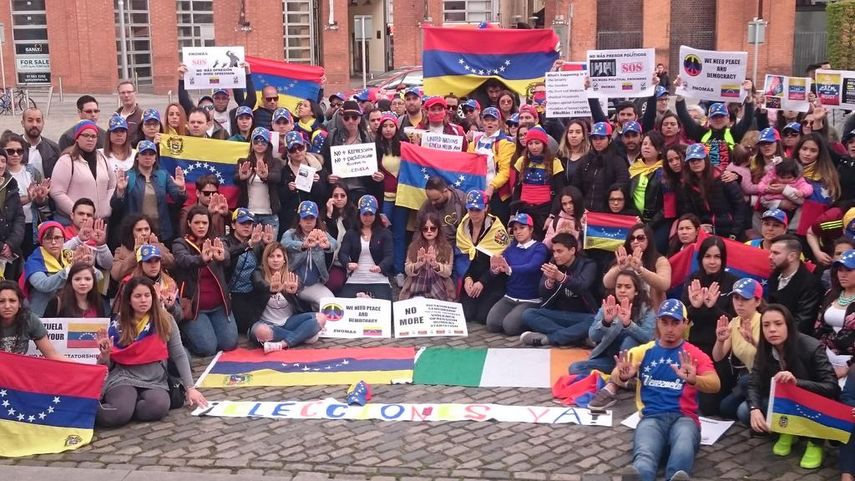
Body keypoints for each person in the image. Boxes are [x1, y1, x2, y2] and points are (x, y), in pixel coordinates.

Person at [603, 298, 720, 481]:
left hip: (684, 418)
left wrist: (694, 379)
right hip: (652, 417)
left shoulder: (694, 354)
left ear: (685, 324)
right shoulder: (645, 351)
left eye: (675, 322)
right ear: (657, 323)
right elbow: (616, 373)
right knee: (644, 454)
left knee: (682, 449)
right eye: (664, 322)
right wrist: (624, 376)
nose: (670, 329)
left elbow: (715, 384)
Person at [95, 276, 207, 427]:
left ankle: (129, 407)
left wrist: (190, 388)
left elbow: (179, 354)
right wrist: (105, 355)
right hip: (124, 377)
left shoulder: (165, 319)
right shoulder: (118, 323)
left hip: (155, 380)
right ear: (129, 300)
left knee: (157, 408)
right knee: (117, 413)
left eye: (147, 295)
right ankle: (101, 409)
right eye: (138, 296)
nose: (143, 300)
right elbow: (107, 365)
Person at [744, 305, 839, 469]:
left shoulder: (812, 347)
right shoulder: (765, 348)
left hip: (814, 402)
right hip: (785, 402)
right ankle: (788, 430)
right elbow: (754, 380)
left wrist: (797, 382)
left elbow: (831, 387)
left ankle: (815, 442)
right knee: (744, 411)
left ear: (788, 325)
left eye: (778, 324)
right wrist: (754, 408)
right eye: (766, 325)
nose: (772, 330)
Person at [172, 206, 238, 357]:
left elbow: (226, 252)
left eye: (204, 222)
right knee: (207, 348)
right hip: (195, 308)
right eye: (197, 222)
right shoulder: (180, 243)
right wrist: (201, 259)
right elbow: (184, 260)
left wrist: (223, 257)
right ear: (189, 223)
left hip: (219, 306)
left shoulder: (217, 240)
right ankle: (186, 333)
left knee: (229, 344)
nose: (201, 226)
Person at [570, 270, 655, 376]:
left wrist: (628, 324)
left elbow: (648, 338)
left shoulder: (647, 308)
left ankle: (621, 376)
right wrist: (606, 321)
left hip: (634, 362)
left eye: (628, 287)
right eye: (619, 286)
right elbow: (593, 336)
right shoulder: (609, 305)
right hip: (610, 360)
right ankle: (614, 378)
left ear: (636, 291)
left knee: (629, 340)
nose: (622, 290)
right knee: (575, 368)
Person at [519, 233, 598, 346]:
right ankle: (578, 339)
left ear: (572, 250)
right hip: (558, 314)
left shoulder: (588, 264)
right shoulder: (553, 264)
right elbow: (543, 293)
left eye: (559, 251)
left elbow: (582, 286)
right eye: (554, 251)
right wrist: (550, 281)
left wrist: (561, 277)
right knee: (528, 314)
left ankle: (550, 339)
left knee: (597, 320)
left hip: (582, 316)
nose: (555, 255)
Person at [249, 243, 325, 353]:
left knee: (321, 317)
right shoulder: (258, 273)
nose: (275, 260)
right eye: (271, 256)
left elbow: (298, 284)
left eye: (279, 256)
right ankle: (303, 336)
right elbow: (259, 283)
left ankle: (281, 344)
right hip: (267, 324)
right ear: (266, 259)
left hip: (288, 322)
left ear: (284, 259)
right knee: (261, 331)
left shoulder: (290, 275)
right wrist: (272, 288)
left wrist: (295, 291)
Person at [485, 213, 550, 336]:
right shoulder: (510, 249)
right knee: (492, 324)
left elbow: (532, 267)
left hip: (531, 299)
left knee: (510, 327)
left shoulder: (539, 248)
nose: (518, 232)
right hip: (510, 297)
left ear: (531, 229)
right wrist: (495, 269)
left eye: (522, 227)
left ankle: (533, 319)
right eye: (515, 229)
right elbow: (500, 269)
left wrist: (509, 269)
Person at [111, 140, 187, 242]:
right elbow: (115, 206)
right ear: (137, 157)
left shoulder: (163, 175)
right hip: (135, 233)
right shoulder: (128, 176)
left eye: (151, 154)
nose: (148, 157)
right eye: (144, 153)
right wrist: (120, 191)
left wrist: (181, 188)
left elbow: (179, 200)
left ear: (155, 158)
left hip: (161, 232)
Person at [675, 79, 755, 171]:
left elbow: (748, 119)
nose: (718, 119)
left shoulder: (734, 133)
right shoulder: (701, 133)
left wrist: (748, 96)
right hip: (707, 178)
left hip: (727, 178)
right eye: (714, 117)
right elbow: (684, 116)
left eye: (721, 116)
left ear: (728, 118)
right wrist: (680, 92)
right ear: (708, 119)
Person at [712, 278, 763, 420]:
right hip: (748, 379)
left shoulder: (765, 321)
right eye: (736, 298)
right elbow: (718, 356)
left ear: (757, 301)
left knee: (742, 411)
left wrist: (754, 342)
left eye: (745, 299)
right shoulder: (734, 322)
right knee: (725, 408)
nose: (739, 303)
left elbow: (773, 356)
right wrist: (720, 340)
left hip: (764, 377)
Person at [457, 189, 509, 324]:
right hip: (472, 278)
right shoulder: (463, 227)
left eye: (478, 210)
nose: (474, 213)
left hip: (491, 280)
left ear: (486, 208)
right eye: (471, 209)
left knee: (482, 317)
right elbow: (461, 257)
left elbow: (499, 263)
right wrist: (467, 279)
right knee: (467, 314)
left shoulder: (497, 230)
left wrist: (482, 282)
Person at [51, 120, 118, 224]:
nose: (90, 139)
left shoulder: (103, 159)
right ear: (77, 138)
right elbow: (57, 192)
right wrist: (78, 213)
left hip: (99, 222)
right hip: (71, 223)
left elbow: (112, 185)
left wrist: (107, 208)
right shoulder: (67, 160)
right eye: (86, 135)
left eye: (93, 136)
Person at [677, 143, 745, 240]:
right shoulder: (687, 185)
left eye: (699, 159)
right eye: (692, 161)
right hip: (705, 233)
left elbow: (740, 206)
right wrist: (698, 226)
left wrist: (735, 232)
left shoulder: (724, 179)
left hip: (730, 232)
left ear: (706, 159)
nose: (695, 163)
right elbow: (688, 212)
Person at [222, 208, 272, 334]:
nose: (246, 227)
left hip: (253, 289)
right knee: (243, 327)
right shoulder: (225, 241)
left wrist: (267, 245)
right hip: (233, 292)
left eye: (249, 224)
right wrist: (248, 244)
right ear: (233, 225)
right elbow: (227, 255)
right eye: (242, 223)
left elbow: (266, 263)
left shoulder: (257, 241)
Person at [280, 201, 336, 309]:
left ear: (316, 220)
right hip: (293, 281)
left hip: (313, 284)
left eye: (312, 218)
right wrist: (303, 245)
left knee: (330, 302)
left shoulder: (321, 233)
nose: (308, 221)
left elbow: (335, 244)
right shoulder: (290, 233)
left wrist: (327, 245)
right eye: (305, 218)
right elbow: (284, 244)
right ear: (299, 220)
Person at [338, 195, 394, 300]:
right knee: (344, 307)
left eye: (370, 214)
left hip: (379, 279)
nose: (367, 218)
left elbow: (389, 256)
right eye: (364, 214)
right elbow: (343, 253)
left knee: (386, 310)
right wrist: (348, 263)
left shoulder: (385, 233)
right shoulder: (351, 233)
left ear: (376, 214)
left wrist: (380, 267)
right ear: (359, 214)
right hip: (355, 278)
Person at [603, 224, 671, 310]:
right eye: (632, 238)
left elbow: (664, 285)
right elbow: (607, 283)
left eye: (640, 238)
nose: (635, 241)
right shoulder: (624, 258)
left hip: (651, 312)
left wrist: (640, 270)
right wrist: (619, 268)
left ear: (649, 240)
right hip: (623, 310)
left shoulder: (660, 260)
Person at [512, 126, 564, 238]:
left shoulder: (554, 163)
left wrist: (552, 216)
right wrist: (513, 214)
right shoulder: (521, 162)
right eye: (530, 144)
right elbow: (517, 189)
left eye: (537, 143)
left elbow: (560, 193)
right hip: (524, 210)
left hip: (544, 212)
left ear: (544, 144)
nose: (534, 147)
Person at [373, 111, 408, 278]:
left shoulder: (405, 146)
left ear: (396, 127)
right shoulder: (374, 147)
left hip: (401, 197)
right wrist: (375, 176)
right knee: (383, 233)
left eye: (391, 126)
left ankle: (399, 269)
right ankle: (382, 269)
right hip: (384, 197)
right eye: (384, 126)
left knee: (400, 233)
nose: (388, 129)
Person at [321, 101, 378, 201]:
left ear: (360, 119)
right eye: (346, 118)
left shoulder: (368, 138)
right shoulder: (332, 137)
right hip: (339, 192)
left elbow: (376, 165)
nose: (350, 121)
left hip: (362, 190)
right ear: (342, 120)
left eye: (354, 117)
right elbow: (323, 162)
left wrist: (377, 175)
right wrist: (327, 177)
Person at [469, 107, 515, 229]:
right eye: (487, 119)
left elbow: (505, 171)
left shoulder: (506, 143)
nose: (489, 123)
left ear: (499, 122)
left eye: (493, 120)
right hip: (476, 192)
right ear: (482, 122)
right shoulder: (474, 143)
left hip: (497, 196)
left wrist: (491, 187)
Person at [4, 134, 49, 258]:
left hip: (31, 224)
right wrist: (28, 198)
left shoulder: (32, 171)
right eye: (10, 151)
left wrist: (40, 197)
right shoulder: (3, 174)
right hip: (9, 228)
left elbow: (41, 203)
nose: (16, 154)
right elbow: (7, 203)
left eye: (19, 151)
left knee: (31, 263)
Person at [813, 249, 855, 379]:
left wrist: (848, 367)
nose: (842, 274)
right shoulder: (831, 294)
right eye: (840, 270)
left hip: (851, 366)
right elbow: (818, 329)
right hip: (825, 359)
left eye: (848, 270)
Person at [767, 235, 821, 334]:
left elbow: (802, 323)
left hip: (793, 341)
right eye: (771, 252)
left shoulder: (810, 284)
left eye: (776, 253)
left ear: (792, 256)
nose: (770, 257)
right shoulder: (774, 276)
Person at [571, 122, 629, 213]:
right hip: (585, 212)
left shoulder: (618, 161)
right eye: (594, 138)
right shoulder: (585, 160)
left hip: (607, 213)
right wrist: (580, 206)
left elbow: (622, 187)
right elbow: (575, 186)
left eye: (602, 138)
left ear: (609, 139)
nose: (598, 142)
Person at [399, 212, 456, 301]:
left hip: (440, 288)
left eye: (432, 228)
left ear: (438, 229)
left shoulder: (447, 248)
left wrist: (435, 265)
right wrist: (418, 264)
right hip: (416, 287)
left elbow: (448, 272)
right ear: (421, 231)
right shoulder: (414, 246)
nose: (429, 231)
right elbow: (407, 271)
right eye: (425, 229)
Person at [236, 128, 283, 233]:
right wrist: (242, 177)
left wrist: (266, 176)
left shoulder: (275, 162)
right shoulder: (243, 161)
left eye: (263, 141)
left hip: (269, 214)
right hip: (249, 214)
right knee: (251, 246)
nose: (260, 144)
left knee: (270, 248)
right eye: (256, 141)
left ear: (268, 144)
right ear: (252, 144)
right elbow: (235, 179)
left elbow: (277, 177)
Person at [0, 280, 63, 358]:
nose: (7, 306)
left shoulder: (29, 319)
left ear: (19, 303)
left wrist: (80, 369)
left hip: (18, 368)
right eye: (1, 301)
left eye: (12, 301)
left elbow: (52, 355)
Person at [280, 131, 327, 235]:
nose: (297, 152)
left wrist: (318, 182)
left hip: (314, 218)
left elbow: (324, 195)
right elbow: (280, 198)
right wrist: (288, 189)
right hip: (291, 220)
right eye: (293, 149)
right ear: (288, 152)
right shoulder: (284, 171)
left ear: (305, 147)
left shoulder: (318, 168)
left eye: (300, 147)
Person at [629, 131, 668, 251]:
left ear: (660, 150)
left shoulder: (665, 172)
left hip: (658, 223)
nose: (646, 147)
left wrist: (648, 225)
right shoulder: (634, 168)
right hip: (636, 220)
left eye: (651, 144)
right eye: (644, 143)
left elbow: (667, 206)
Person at [110, 214, 175, 283]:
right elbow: (116, 275)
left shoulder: (157, 245)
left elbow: (172, 263)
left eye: (146, 229)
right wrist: (136, 254)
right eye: (139, 230)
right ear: (131, 232)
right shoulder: (121, 250)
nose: (144, 233)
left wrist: (156, 247)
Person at [324, 183, 359, 294]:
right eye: (335, 196)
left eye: (342, 196)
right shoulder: (325, 214)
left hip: (354, 261)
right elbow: (329, 237)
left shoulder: (355, 213)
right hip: (335, 263)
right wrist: (329, 215)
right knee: (334, 284)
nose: (339, 199)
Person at [43, 262, 110, 318]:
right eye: (77, 279)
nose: (83, 283)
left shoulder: (98, 303)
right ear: (70, 281)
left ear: (93, 281)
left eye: (87, 279)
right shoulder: (57, 302)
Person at [418, 176, 467, 246]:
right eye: (430, 199)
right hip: (436, 246)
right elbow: (418, 230)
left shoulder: (462, 201)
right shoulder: (426, 206)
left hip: (460, 246)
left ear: (445, 191)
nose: (433, 203)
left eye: (436, 199)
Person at [0, 149, 25, 272]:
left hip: (11, 251)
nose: (0, 165)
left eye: (3, 161)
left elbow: (19, 217)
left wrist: (11, 244)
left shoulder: (11, 185)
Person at [20, 108, 61, 178]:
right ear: (23, 123)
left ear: (43, 123)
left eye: (38, 121)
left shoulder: (54, 149)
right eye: (30, 121)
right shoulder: (11, 148)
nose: (34, 124)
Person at [115, 80, 142, 146]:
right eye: (123, 93)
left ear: (135, 93)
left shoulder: (142, 116)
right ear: (119, 95)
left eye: (129, 92)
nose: (126, 95)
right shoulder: (115, 116)